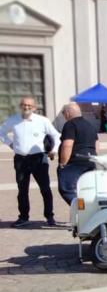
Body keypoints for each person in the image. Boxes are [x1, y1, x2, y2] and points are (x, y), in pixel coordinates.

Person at [0, 96, 61, 227]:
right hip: (20, 160)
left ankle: (49, 217)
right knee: (22, 190)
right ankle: (23, 217)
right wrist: (10, 144)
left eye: (29, 105)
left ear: (34, 107)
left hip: (38, 159)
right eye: (24, 105)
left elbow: (56, 135)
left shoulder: (42, 120)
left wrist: (54, 150)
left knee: (45, 188)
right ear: (20, 106)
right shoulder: (13, 120)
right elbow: (1, 131)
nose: (26, 107)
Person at [57, 102, 100, 205]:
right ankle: (88, 210)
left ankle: (81, 209)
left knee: (67, 189)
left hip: (75, 162)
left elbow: (67, 145)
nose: (64, 116)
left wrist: (63, 163)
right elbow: (97, 145)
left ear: (67, 113)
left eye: (63, 113)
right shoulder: (90, 125)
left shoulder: (70, 124)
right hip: (90, 161)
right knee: (86, 189)